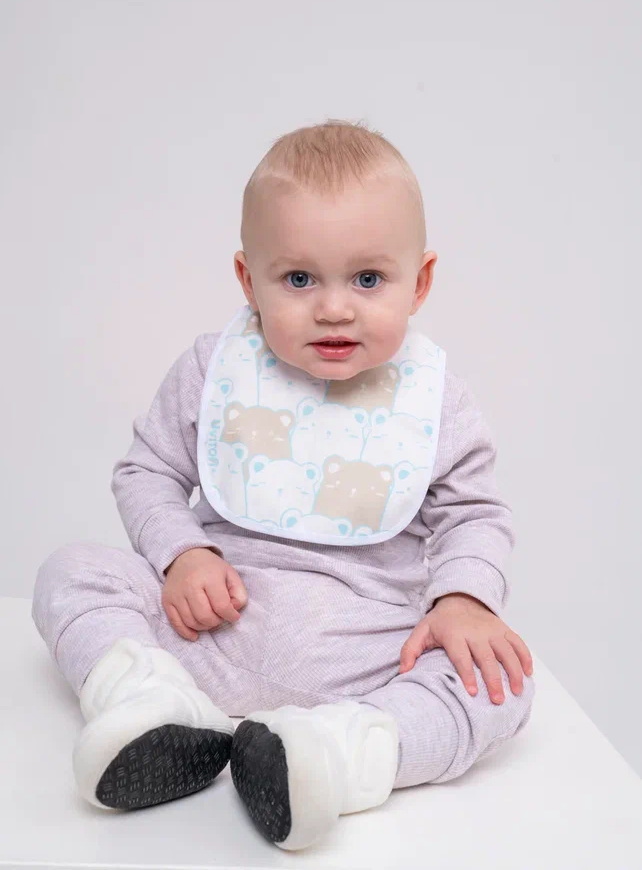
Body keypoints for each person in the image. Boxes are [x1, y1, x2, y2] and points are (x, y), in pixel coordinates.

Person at [32, 119, 534, 852]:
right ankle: (149, 702)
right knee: (71, 571)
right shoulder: (214, 370)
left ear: (420, 282)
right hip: (210, 631)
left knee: (502, 681)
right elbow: (147, 472)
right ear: (249, 280)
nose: (334, 307)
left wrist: (463, 600)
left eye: (369, 279)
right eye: (299, 279)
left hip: (368, 654)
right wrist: (183, 555)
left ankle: (343, 754)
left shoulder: (436, 400)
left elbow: (474, 514)